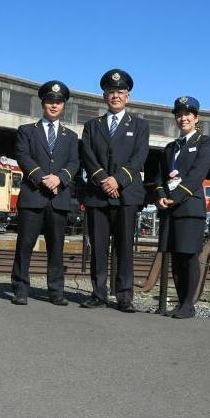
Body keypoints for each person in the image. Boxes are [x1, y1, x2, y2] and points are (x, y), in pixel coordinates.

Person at [80, 69, 149, 312]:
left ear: (127, 96)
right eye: (111, 92)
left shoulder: (139, 125)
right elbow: (87, 155)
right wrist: (103, 180)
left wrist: (117, 181)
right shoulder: (92, 126)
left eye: (120, 92)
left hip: (126, 194)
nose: (116, 96)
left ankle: (124, 296)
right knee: (98, 247)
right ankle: (98, 293)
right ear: (104, 97)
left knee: (124, 248)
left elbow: (139, 156)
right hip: (98, 195)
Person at [11, 80, 80, 306]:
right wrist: (42, 176)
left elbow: (74, 162)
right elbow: (23, 156)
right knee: (25, 245)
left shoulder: (70, 136)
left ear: (63, 106)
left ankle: (56, 291)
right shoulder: (27, 131)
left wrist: (60, 178)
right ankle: (21, 289)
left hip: (58, 199)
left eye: (58, 102)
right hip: (33, 196)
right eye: (50, 101)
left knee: (57, 248)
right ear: (43, 103)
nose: (54, 105)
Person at [155, 96, 210, 319]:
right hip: (170, 209)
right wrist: (161, 195)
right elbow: (159, 176)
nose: (183, 118)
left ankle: (189, 305)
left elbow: (196, 175)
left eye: (187, 114)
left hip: (189, 208)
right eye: (179, 115)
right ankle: (181, 302)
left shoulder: (204, 143)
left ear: (196, 117)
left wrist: (176, 197)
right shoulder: (171, 147)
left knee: (189, 256)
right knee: (176, 258)